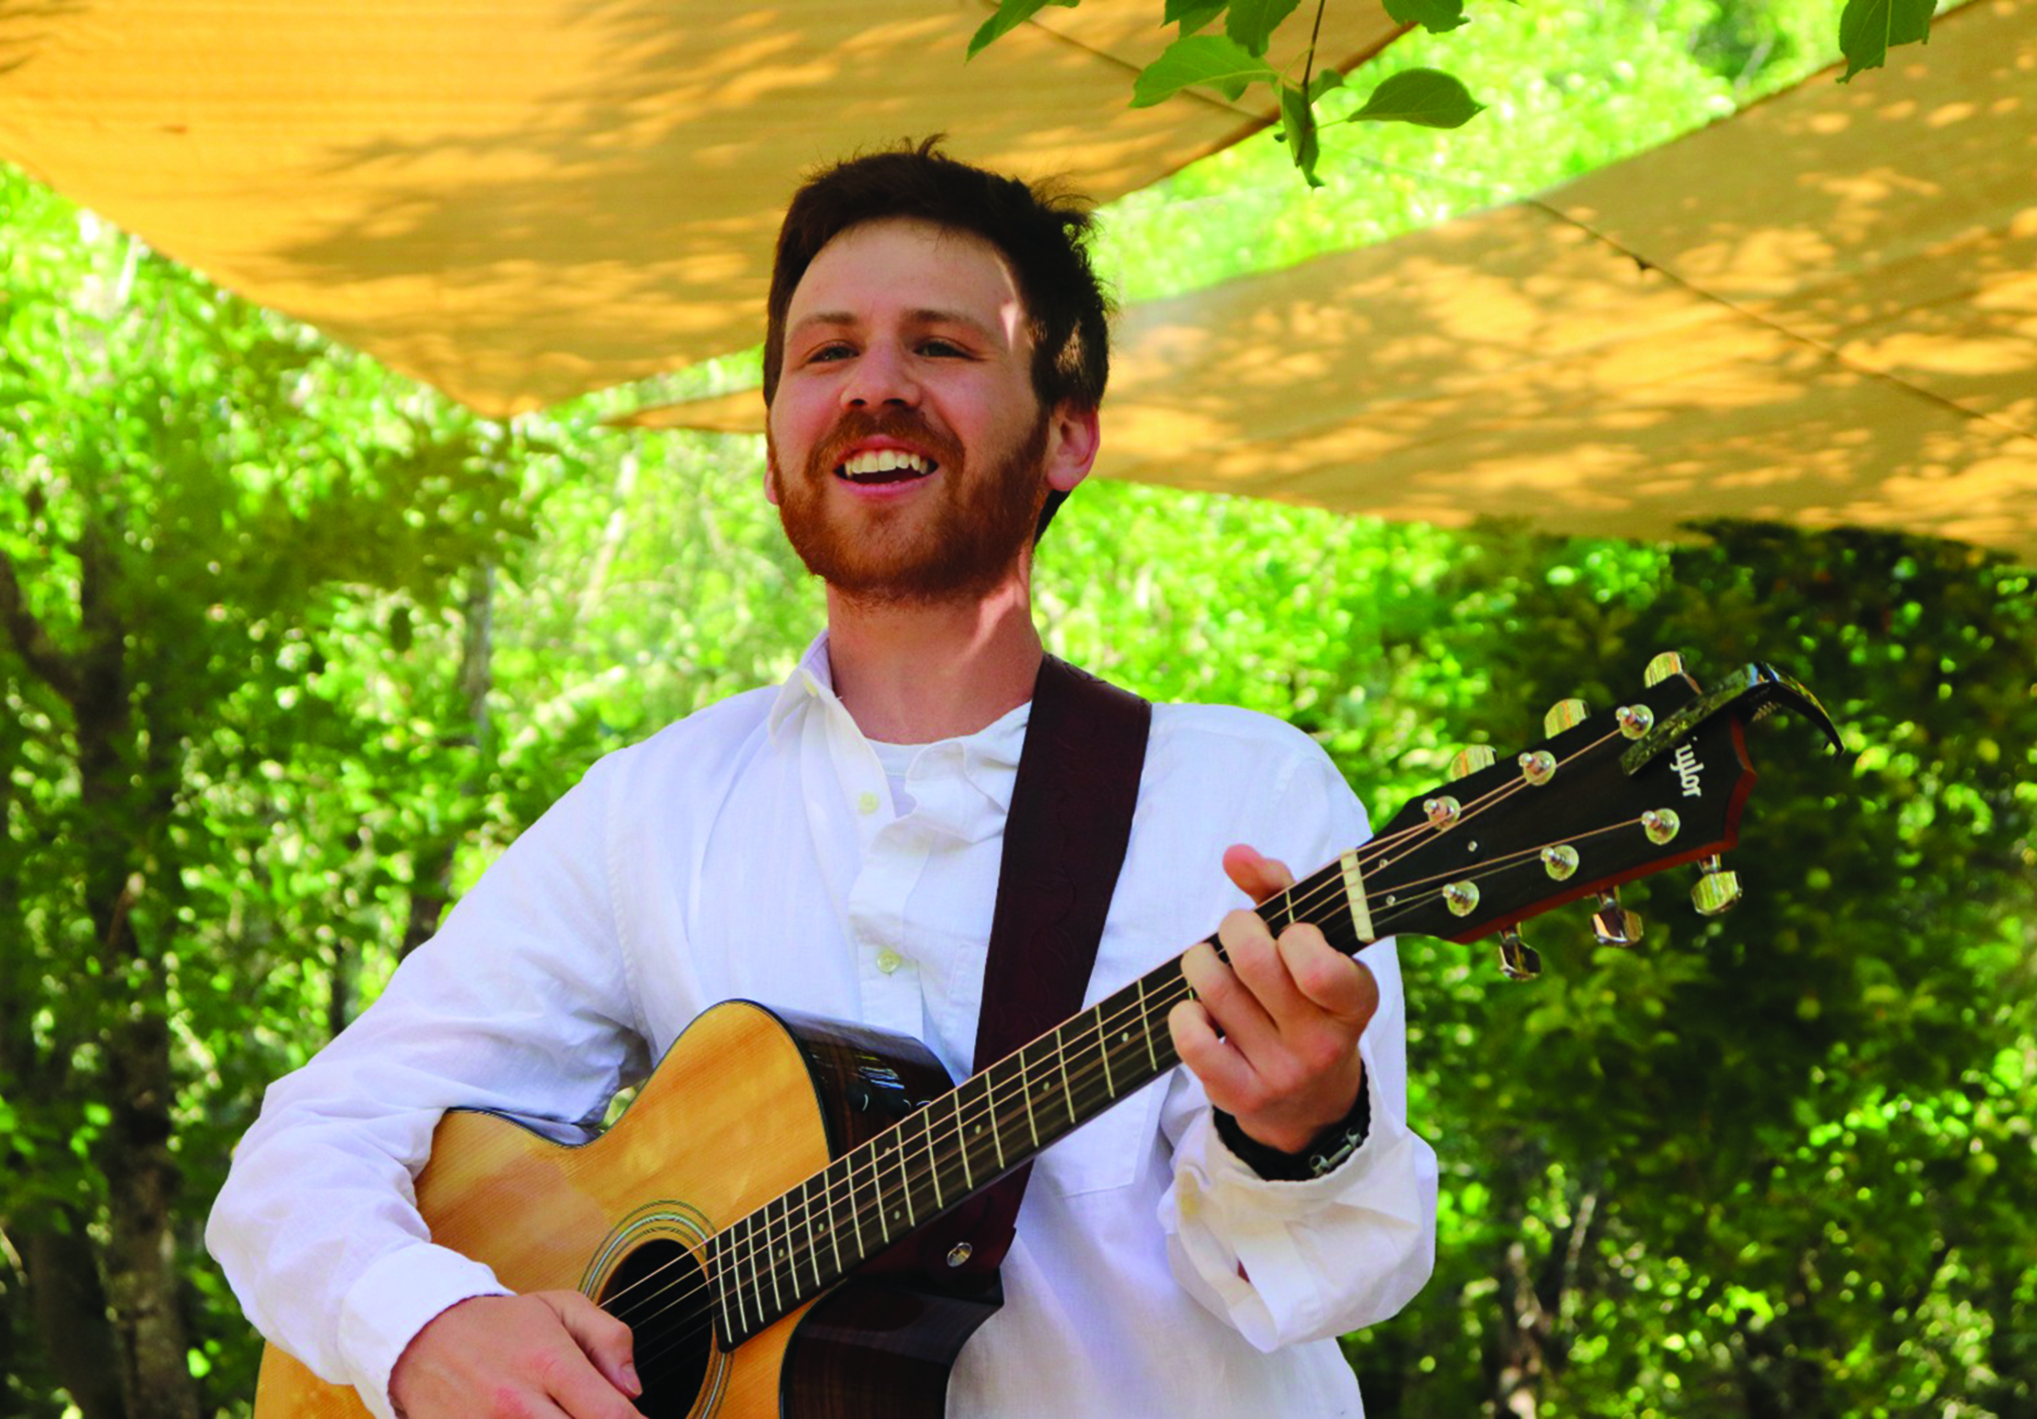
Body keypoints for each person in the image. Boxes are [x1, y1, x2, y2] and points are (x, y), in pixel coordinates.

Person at [208, 139, 1438, 1419]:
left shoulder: (1243, 797)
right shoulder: (658, 810)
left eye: (944, 349)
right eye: (828, 352)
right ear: (776, 434)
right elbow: (305, 1152)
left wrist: (1300, 1129)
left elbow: (1318, 1286)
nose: (877, 389)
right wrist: (428, 1327)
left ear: (1067, 438)